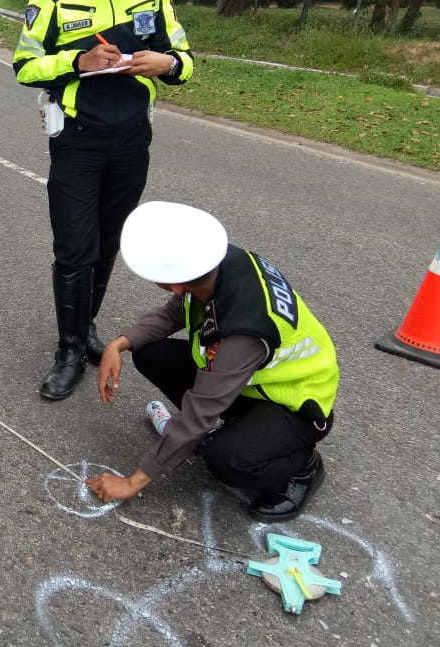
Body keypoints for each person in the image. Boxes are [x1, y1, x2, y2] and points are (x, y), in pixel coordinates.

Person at [13, 0, 194, 401]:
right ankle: (69, 350)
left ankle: (86, 327)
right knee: (74, 249)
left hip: (133, 138)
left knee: (109, 242)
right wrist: (80, 61)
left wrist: (167, 64)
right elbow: (25, 66)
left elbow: (187, 59)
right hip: (79, 138)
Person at [85, 201, 338, 521]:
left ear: (176, 283)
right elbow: (173, 313)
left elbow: (198, 415)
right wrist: (118, 344)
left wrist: (133, 482)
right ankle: (241, 427)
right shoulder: (220, 263)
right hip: (249, 383)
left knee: (226, 458)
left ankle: (302, 467)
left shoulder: (240, 333)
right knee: (150, 353)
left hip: (297, 403)